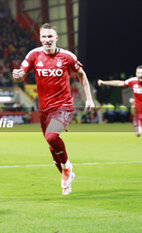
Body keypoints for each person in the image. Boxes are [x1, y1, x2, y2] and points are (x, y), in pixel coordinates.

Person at [12, 23, 95, 195]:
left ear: (56, 37)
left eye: (50, 36)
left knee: (51, 137)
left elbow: (82, 74)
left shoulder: (67, 56)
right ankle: (67, 176)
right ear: (40, 38)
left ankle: (67, 167)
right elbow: (21, 75)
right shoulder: (34, 55)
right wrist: (18, 76)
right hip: (44, 108)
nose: (47, 40)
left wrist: (89, 98)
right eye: (44, 36)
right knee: (51, 146)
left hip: (63, 105)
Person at [98, 65, 142, 137]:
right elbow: (119, 83)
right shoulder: (133, 81)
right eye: (138, 73)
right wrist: (104, 82)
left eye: (141, 73)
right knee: (138, 134)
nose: (140, 75)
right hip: (138, 112)